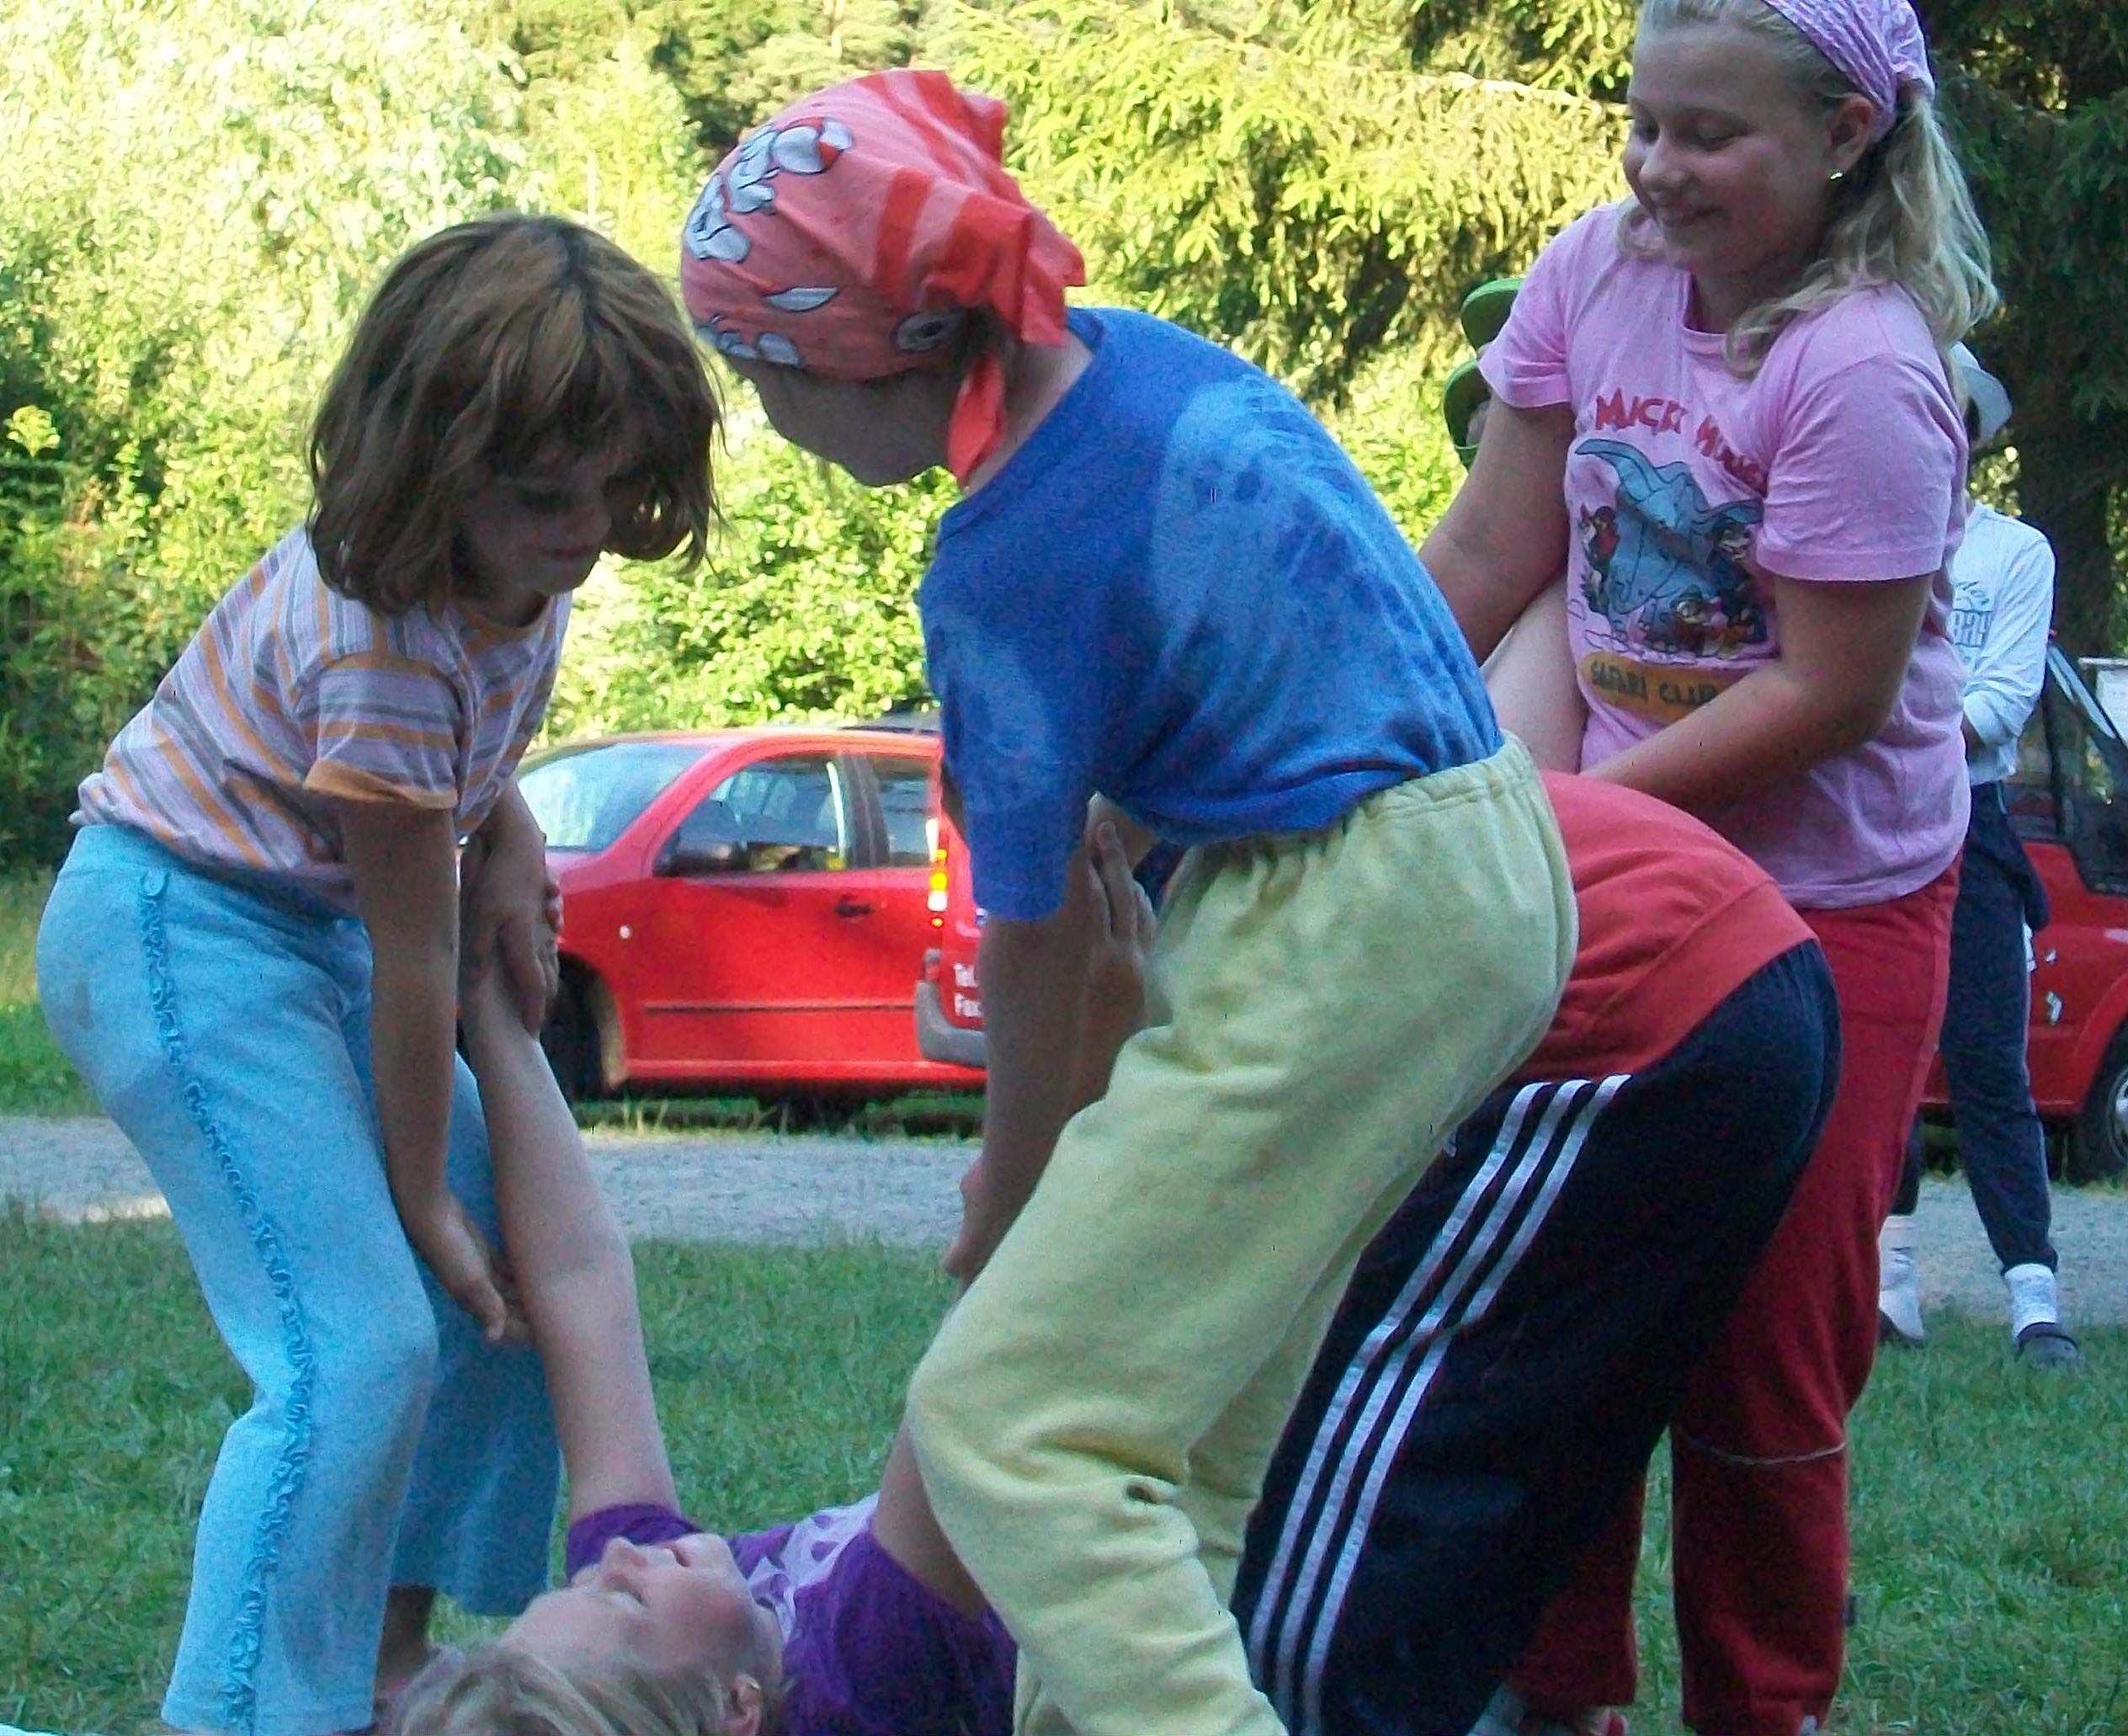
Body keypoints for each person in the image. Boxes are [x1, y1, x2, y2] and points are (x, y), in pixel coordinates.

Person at [678, 68, 1577, 1736]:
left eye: (759, 376)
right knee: (1163, 1440)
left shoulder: (1001, 561)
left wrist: (1010, 1192)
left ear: (852, 357)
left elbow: (1032, 940)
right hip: (1474, 863)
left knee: (1007, 1415)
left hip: (1344, 913)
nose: (770, 421)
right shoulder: (1147, 366)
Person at [396, 770, 1838, 1736]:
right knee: (1317, 1635)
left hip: (1679, 985)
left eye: (575, 1578)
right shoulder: (866, 1671)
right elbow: (1007, 1335)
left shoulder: (669, 1618)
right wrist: (1091, 1043)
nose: (616, 1556)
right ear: (733, 1716)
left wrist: (497, 1017)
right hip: (1168, 1458)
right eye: (619, 1593)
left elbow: (581, 1292)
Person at [33, 214, 719, 1736]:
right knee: (355, 1342)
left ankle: (380, 1675)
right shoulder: (381, 631)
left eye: (613, 492)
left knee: (501, 1282)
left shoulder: (502, 570)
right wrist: (419, 1201)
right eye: (544, 498)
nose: (584, 532)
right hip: (181, 933)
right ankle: (237, 1716)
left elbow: (456, 760)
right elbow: (420, 961)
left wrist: (513, 829)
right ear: (433, 461)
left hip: (311, 926)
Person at [1414, 0, 1995, 1730]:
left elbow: (1825, 693)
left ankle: (1762, 1703)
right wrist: (1358, 727)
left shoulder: (1862, 367)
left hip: (1831, 904)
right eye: (1643, 119)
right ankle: (1555, 1691)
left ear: (1842, 137)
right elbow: (1489, 549)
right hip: (1602, 865)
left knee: (1763, 1347)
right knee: (1557, 1297)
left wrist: (1572, 824)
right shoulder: (1594, 273)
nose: (1656, 169)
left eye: (1709, 134)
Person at [1878, 348, 2078, 1366]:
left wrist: (1875, 724)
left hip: (1968, 815)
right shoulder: (1859, 529)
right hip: (1865, 814)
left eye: (1946, 414)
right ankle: (1886, 1288)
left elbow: (2001, 702)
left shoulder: (2013, 553)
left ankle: (2032, 1300)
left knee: (1987, 1060)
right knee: (1876, 1055)